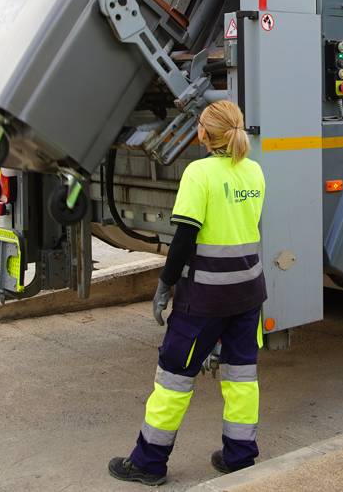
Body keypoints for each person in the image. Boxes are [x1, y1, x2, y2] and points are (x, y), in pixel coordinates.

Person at [109, 101, 267, 486]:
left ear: (204, 133)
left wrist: (165, 284)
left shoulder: (200, 173)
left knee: (174, 377)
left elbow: (184, 238)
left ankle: (147, 463)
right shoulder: (254, 170)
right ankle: (240, 455)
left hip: (206, 297)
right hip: (248, 292)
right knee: (241, 375)